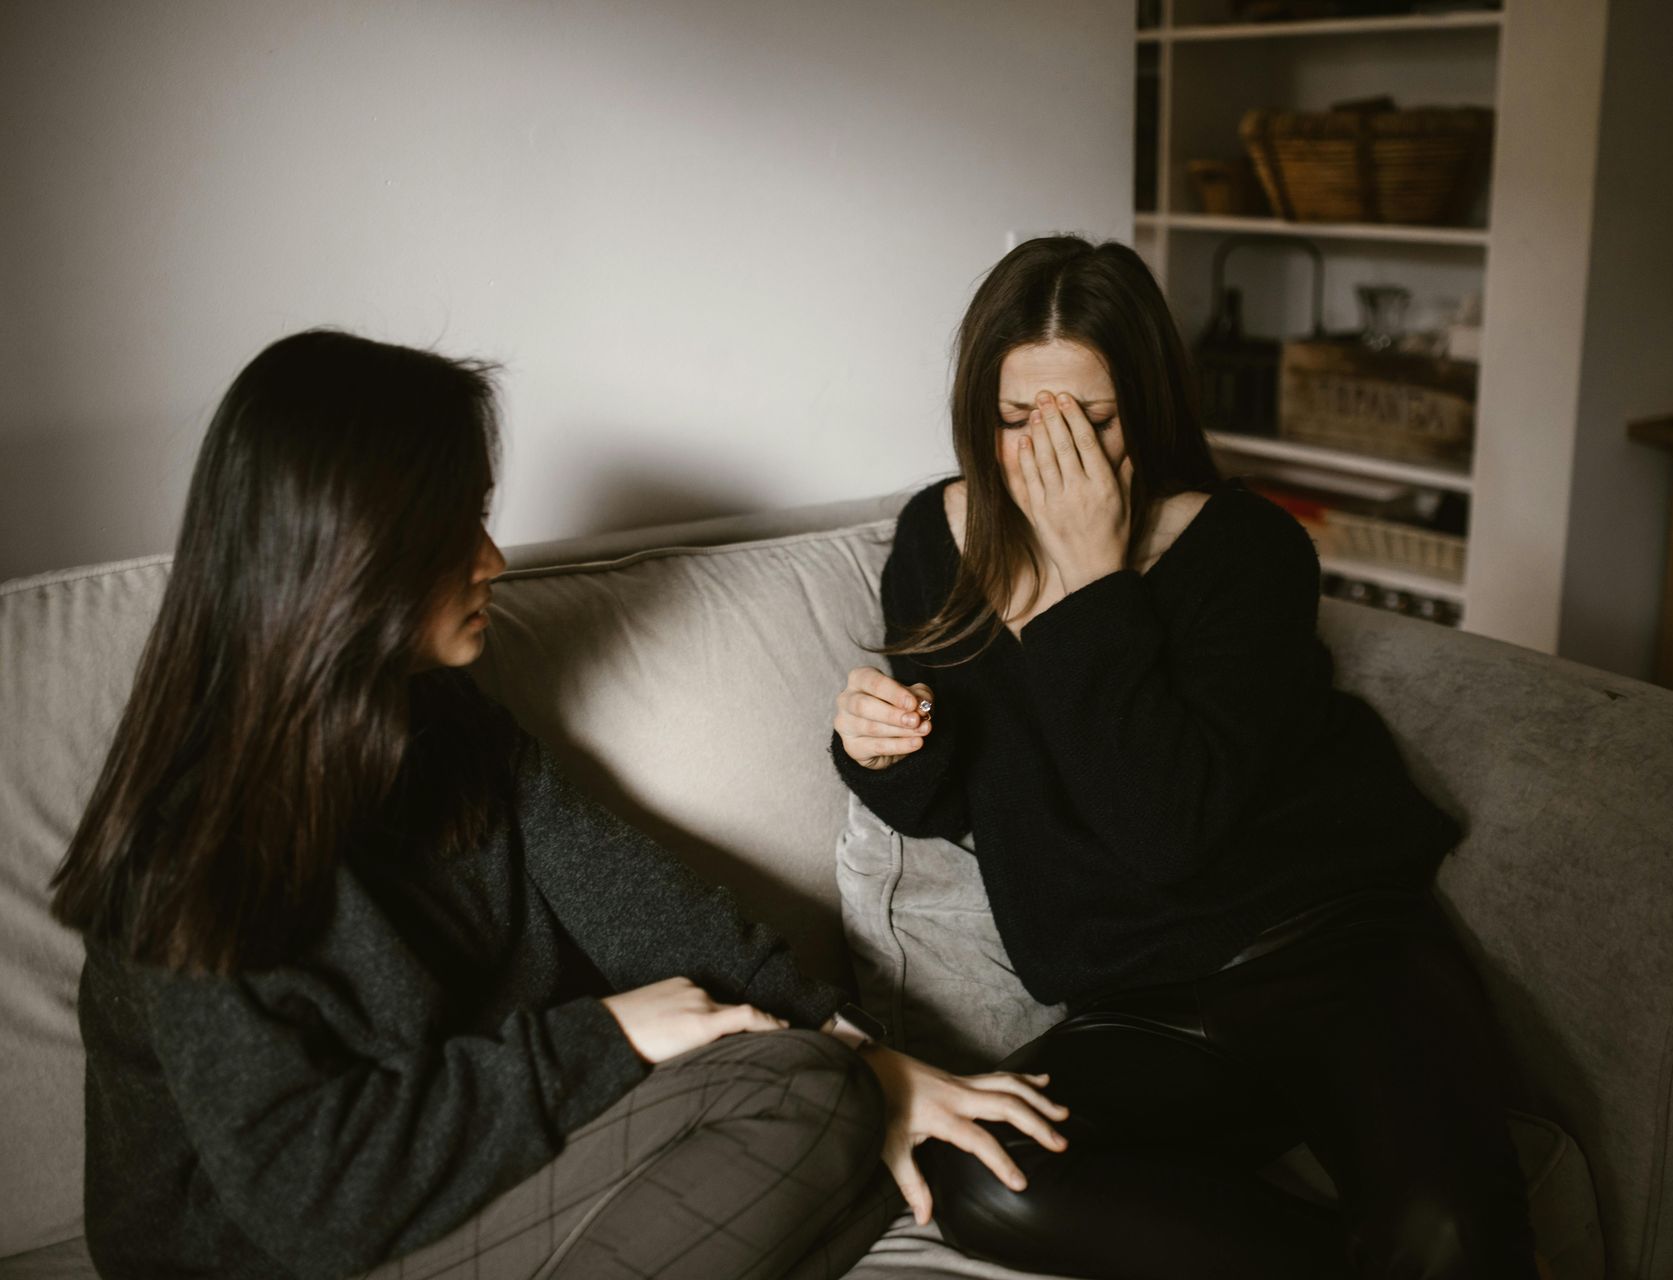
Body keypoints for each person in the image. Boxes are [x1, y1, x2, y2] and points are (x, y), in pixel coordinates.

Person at [49, 329, 1067, 1280]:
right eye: (457, 530)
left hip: (471, 1174)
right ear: (348, 559)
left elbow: (653, 910)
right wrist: (611, 1038)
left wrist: (873, 1054)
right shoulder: (190, 845)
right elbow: (312, 1190)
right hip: (295, 1249)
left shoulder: (446, 724)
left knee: (848, 1118)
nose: (492, 559)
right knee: (807, 1106)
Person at [830, 237, 1545, 1280]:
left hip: (1339, 956)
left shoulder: (1247, 547)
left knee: (1453, 1237)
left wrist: (1088, 581)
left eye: (1094, 420)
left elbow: (1167, 829)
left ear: (1148, 408)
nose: (1050, 451)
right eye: (1021, 417)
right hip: (1140, 1007)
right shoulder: (939, 538)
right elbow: (945, 795)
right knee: (975, 1166)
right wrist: (875, 745)